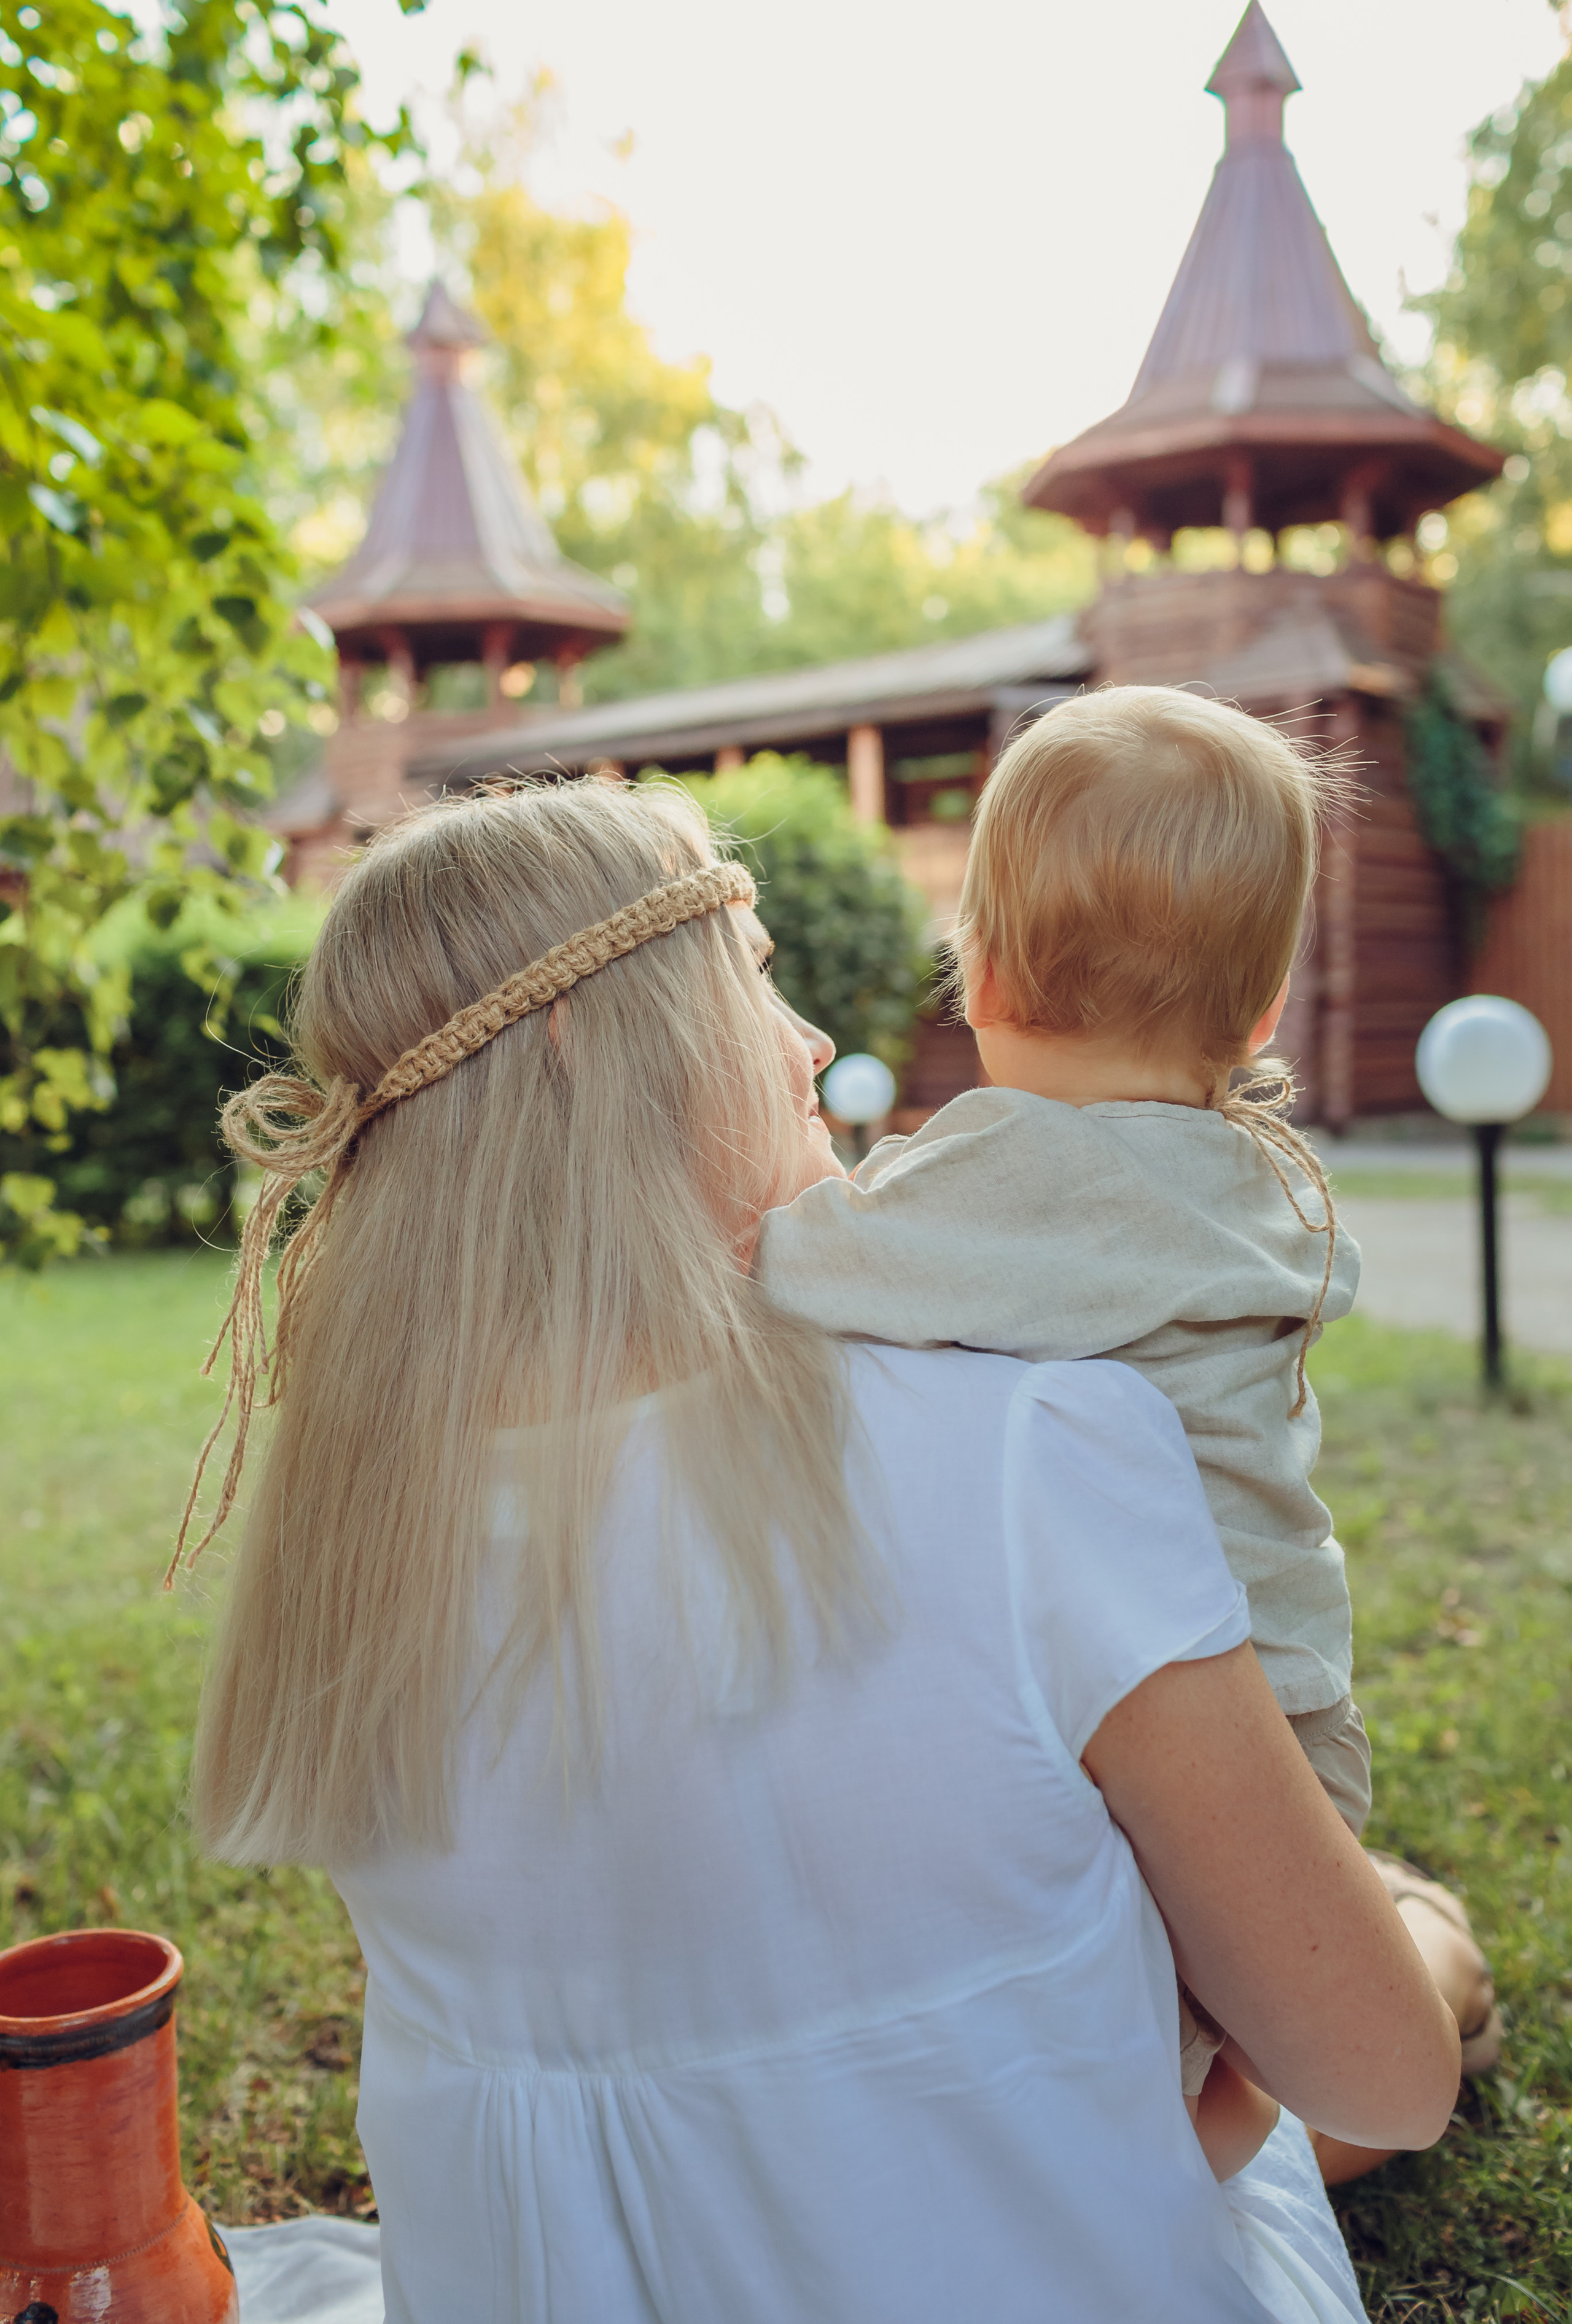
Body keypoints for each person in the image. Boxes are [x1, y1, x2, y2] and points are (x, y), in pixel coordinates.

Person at [184, 778, 1458, 2323]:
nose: (804, 1047)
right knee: (1401, 1967)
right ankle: (1428, 1926)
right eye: (760, 975)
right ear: (601, 1048)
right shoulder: (1024, 1453)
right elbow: (1380, 2082)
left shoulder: (354, 1547)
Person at [753, 686, 1502, 2143]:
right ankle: (1311, 2060)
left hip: (1161, 1746)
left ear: (970, 971)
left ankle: (1260, 2131)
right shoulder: (1256, 1180)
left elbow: (794, 1267)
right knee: (1214, 2060)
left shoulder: (1006, 1176)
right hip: (1293, 1725)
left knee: (1146, 2087)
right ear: (1263, 1005)